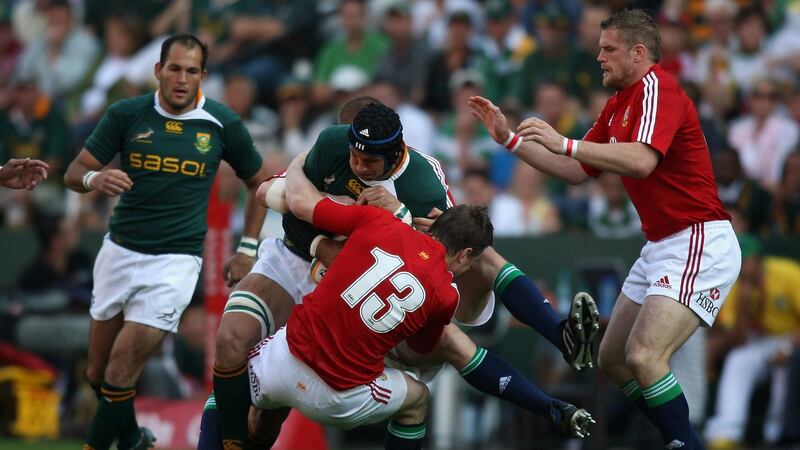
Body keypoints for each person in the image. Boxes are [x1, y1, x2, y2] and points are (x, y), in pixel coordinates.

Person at [206, 99, 597, 448]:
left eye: (368, 161)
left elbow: (445, 242)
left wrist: (394, 220)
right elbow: (274, 199)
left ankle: (557, 348)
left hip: (366, 281)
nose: (356, 165)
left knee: (473, 292)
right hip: (303, 262)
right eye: (351, 151)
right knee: (232, 345)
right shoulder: (334, 149)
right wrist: (325, 247)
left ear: (396, 154)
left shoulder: (420, 186)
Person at [469, 9, 741, 450]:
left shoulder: (658, 87)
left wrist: (565, 141)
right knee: (612, 361)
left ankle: (682, 443)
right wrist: (510, 140)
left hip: (699, 238)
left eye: (608, 48)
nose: (598, 57)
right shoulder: (619, 103)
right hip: (662, 244)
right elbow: (577, 170)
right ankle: (684, 439)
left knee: (644, 356)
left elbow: (641, 161)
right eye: (599, 48)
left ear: (638, 52)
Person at [63, 34, 268, 450]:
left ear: (203, 76)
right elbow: (73, 172)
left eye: (191, 71)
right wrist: (94, 178)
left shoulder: (221, 122)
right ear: (158, 70)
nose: (181, 78)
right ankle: (133, 438)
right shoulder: (126, 114)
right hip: (119, 250)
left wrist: (247, 248)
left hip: (175, 261)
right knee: (97, 374)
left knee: (123, 365)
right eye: (174, 68)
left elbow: (260, 183)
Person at [245, 153, 493, 450]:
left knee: (235, 368)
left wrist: (296, 167)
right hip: (339, 393)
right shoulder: (446, 292)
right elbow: (421, 348)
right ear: (465, 254)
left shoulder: (378, 221)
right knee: (417, 398)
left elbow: (301, 206)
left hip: (285, 360)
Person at [704, 235, 800, 449]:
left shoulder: (786, 273)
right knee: (737, 360)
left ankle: (777, 437)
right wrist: (741, 308)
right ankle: (727, 434)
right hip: (760, 341)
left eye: (746, 259)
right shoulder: (734, 282)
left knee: (785, 369)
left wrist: (787, 348)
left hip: (791, 337)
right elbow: (739, 341)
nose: (742, 265)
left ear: (757, 259)